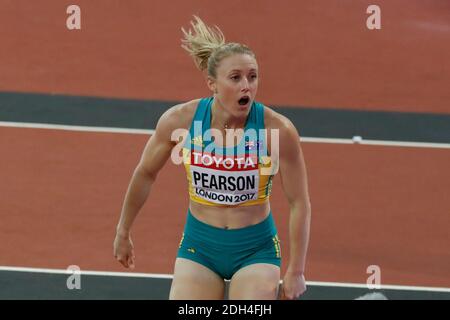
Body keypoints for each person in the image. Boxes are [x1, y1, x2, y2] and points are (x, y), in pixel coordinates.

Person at [113, 16, 311, 300]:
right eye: (235, 78)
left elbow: (299, 202)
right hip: (200, 247)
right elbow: (145, 173)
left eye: (253, 76)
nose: (247, 86)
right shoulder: (180, 121)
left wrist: (297, 270)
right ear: (212, 84)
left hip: (255, 249)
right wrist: (123, 230)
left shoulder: (277, 131)